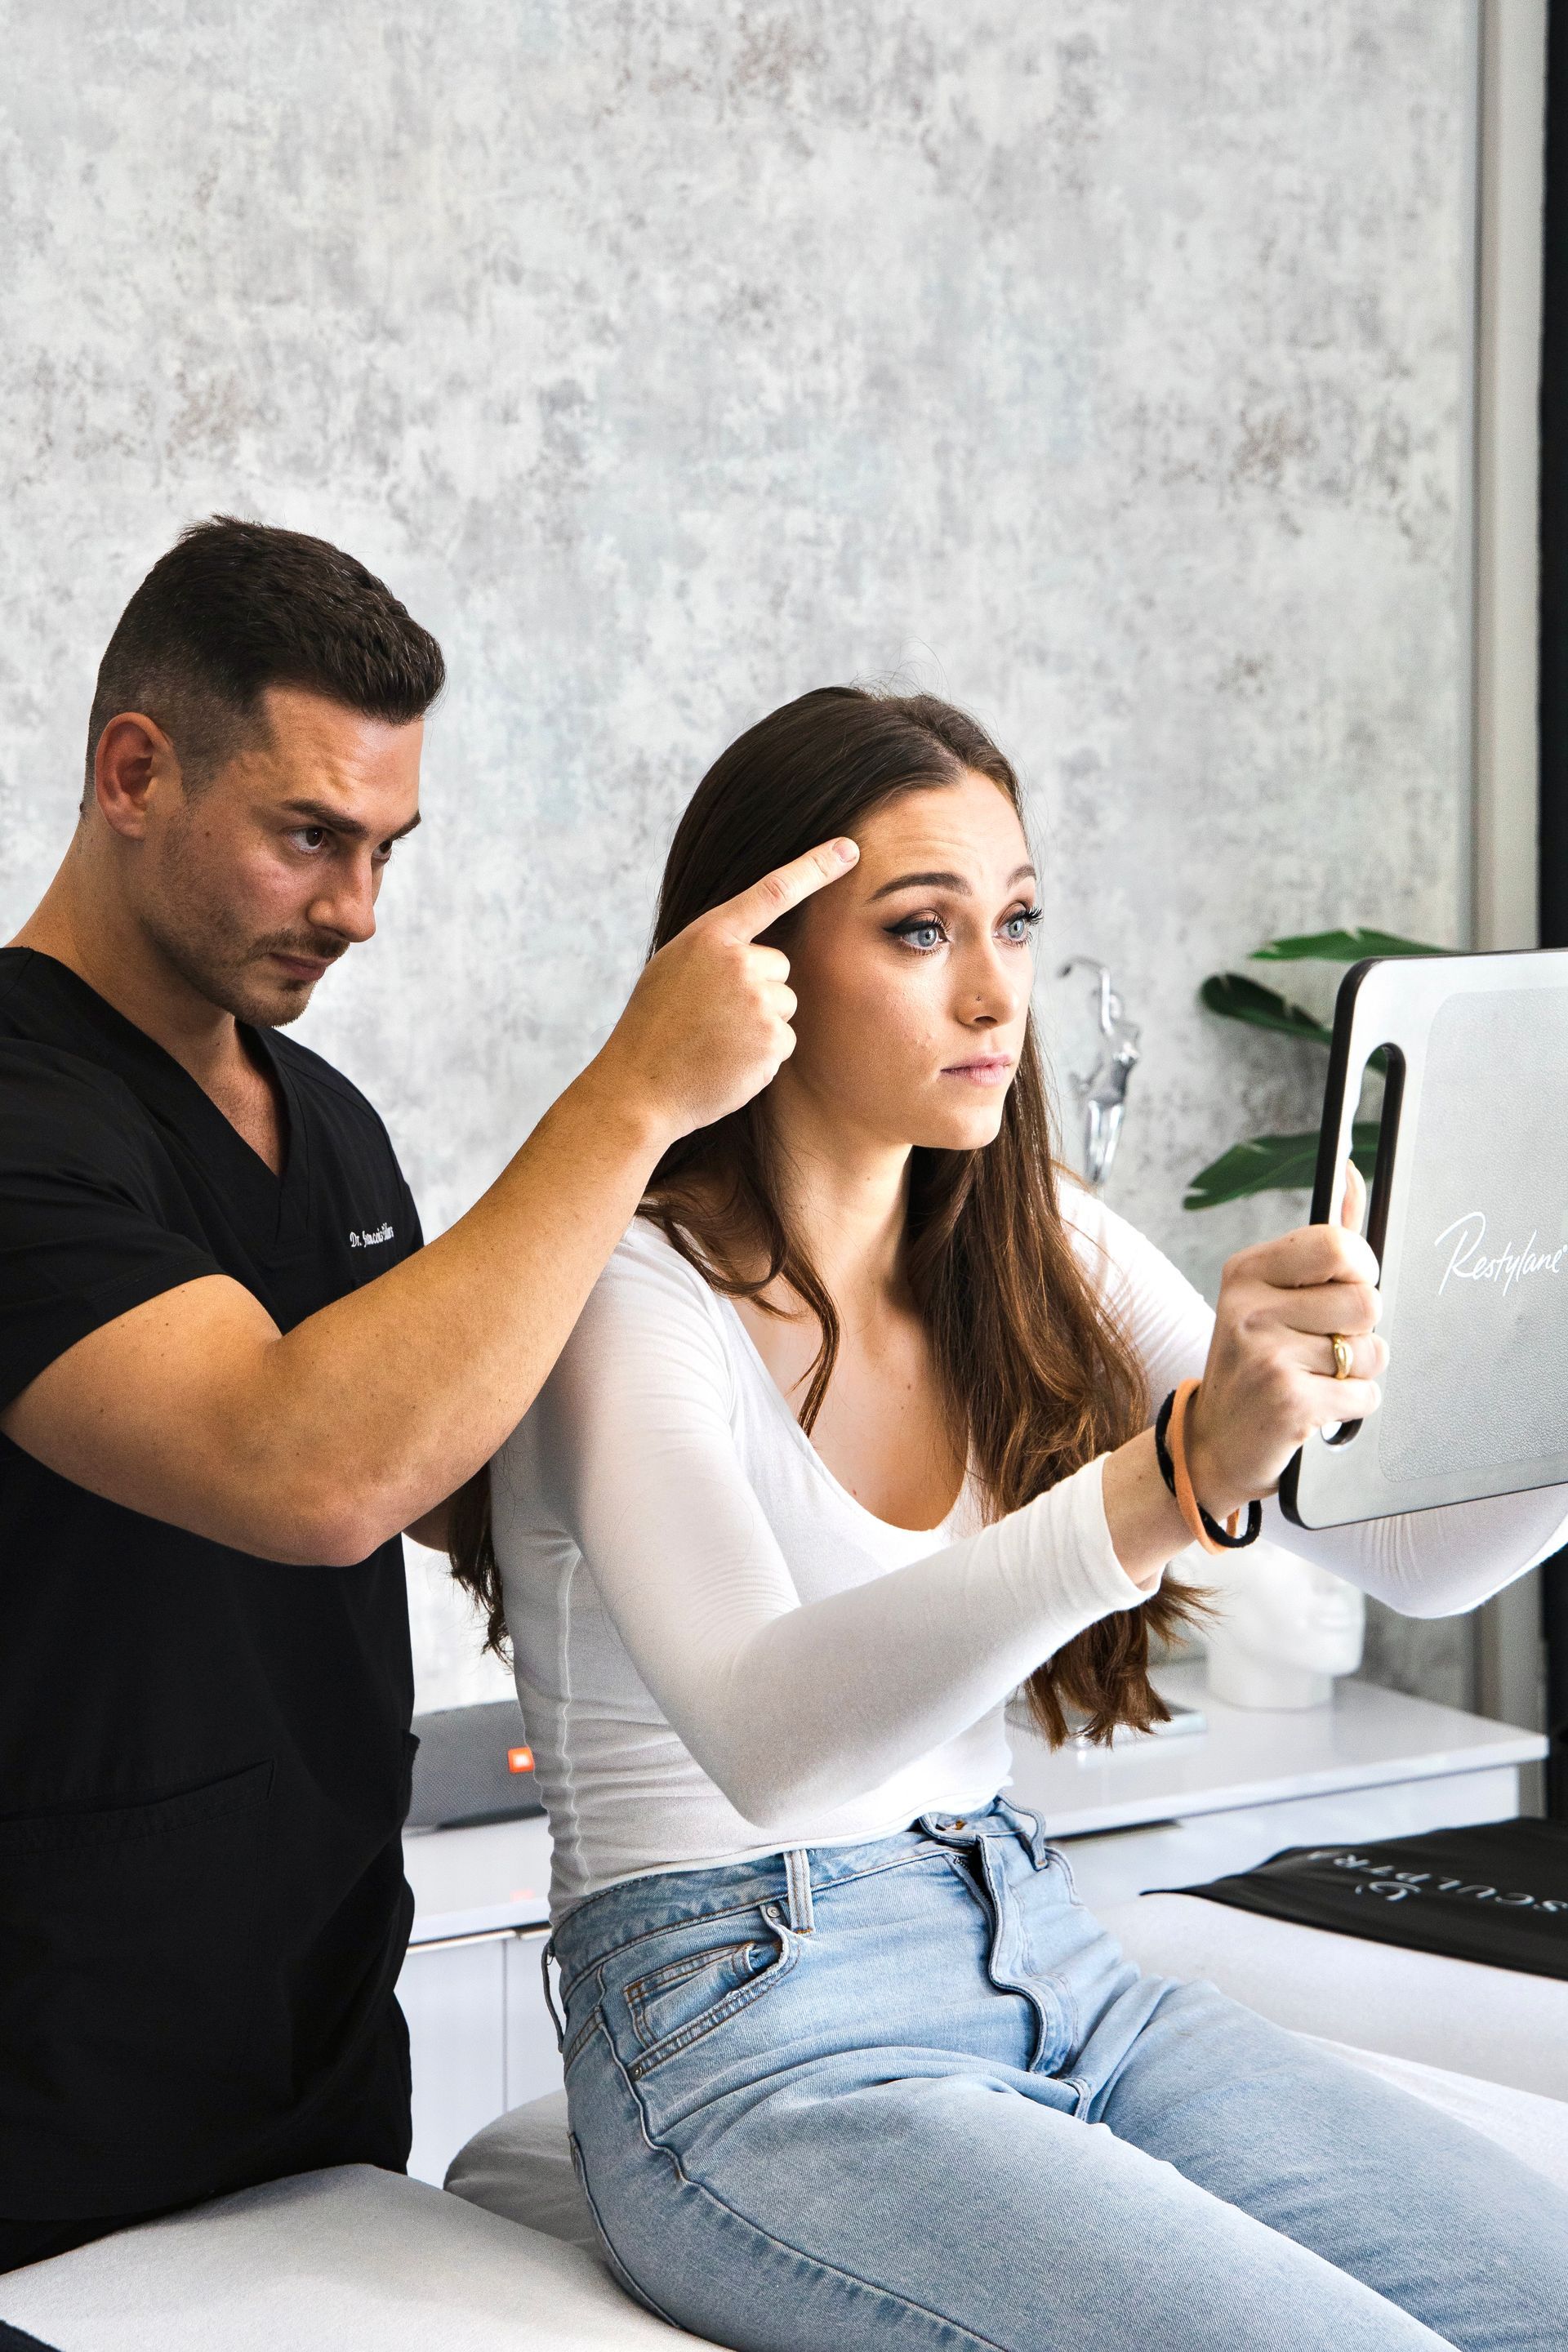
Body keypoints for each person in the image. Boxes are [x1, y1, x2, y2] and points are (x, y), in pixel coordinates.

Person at [458, 687, 1568, 2352]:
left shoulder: (1031, 1240)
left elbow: (1395, 1548)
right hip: (747, 2032)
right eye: (921, 931)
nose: (996, 992)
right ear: (752, 968)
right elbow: (773, 1737)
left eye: (1019, 921)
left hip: (1036, 1946)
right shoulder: (631, 1287)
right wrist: (1172, 1479)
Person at [0, 519, 855, 2273]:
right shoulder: (18, 1114)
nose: (360, 912)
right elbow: (306, 1469)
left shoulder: (329, 1125)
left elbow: (447, 1454)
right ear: (133, 772)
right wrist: (633, 1099)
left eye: (388, 848)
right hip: (42, 2103)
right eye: (309, 837)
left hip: (307, 2063)